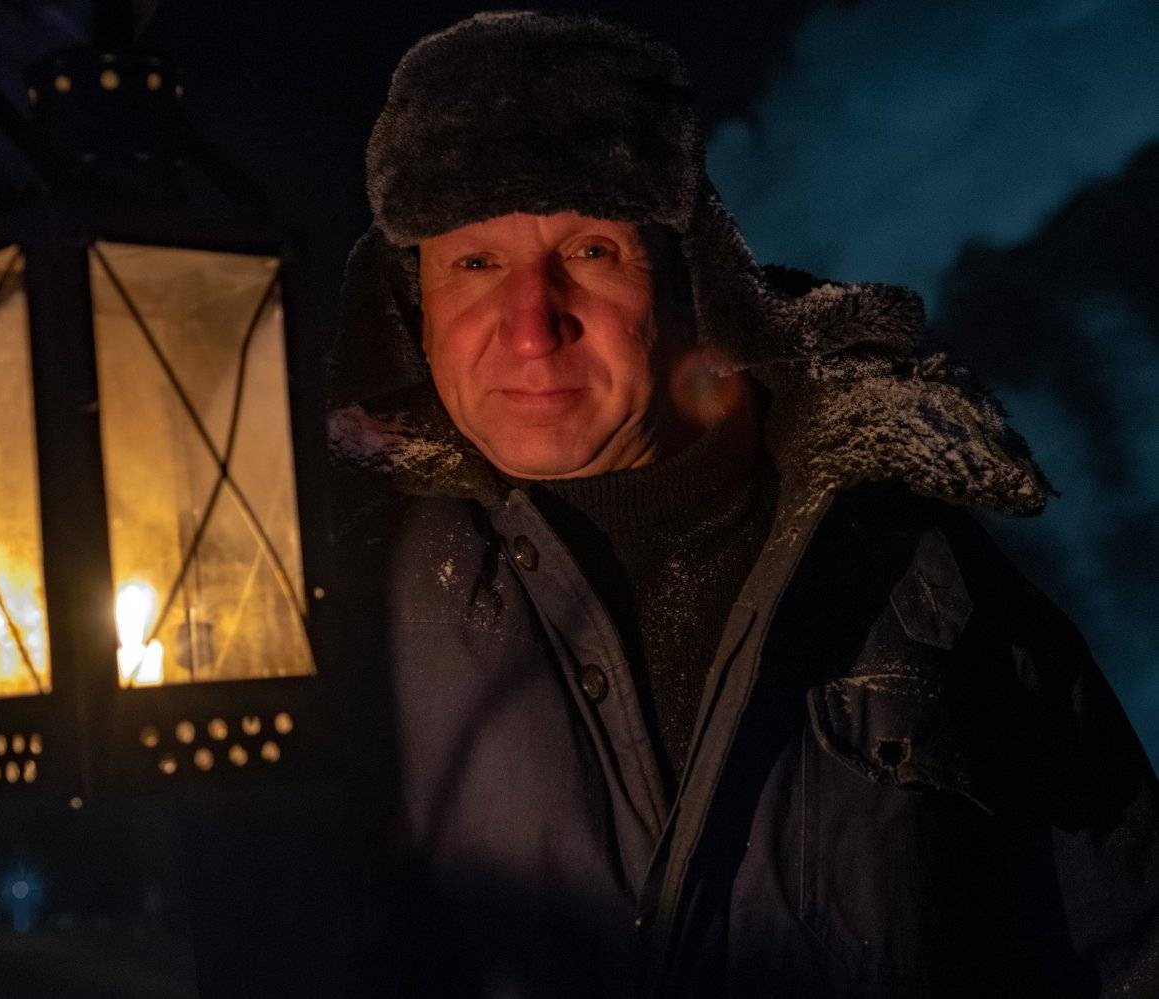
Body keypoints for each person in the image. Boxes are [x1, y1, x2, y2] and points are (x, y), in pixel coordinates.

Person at [324, 11, 1159, 998]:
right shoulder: (336, 608)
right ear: (414, 305)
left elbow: (1127, 947)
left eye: (590, 251)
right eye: (474, 263)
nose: (532, 326)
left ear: (690, 280)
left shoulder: (917, 578)